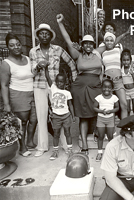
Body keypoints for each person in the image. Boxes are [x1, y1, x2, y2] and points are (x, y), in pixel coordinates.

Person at [57, 14, 127, 155]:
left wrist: (123, 34)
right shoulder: (78, 55)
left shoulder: (97, 52)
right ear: (82, 45)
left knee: (96, 111)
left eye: (90, 43)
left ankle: (98, 133)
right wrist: (60, 23)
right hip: (80, 86)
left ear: (93, 45)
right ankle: (84, 144)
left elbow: (111, 41)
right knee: (83, 116)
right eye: (85, 43)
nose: (88, 45)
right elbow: (67, 40)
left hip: (96, 85)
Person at [30, 23, 77, 157]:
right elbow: (32, 72)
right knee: (42, 116)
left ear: (51, 36)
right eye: (41, 33)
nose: (44, 36)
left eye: (47, 33)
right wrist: (38, 67)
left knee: (60, 112)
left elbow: (71, 63)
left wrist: (73, 79)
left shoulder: (58, 49)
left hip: (56, 88)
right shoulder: (33, 51)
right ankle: (42, 146)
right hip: (39, 86)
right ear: (38, 36)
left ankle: (65, 145)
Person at [0, 33, 37, 157]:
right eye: (12, 45)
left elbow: (32, 73)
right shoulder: (6, 63)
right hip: (17, 94)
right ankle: (22, 147)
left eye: (18, 44)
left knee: (34, 119)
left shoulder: (27, 59)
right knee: (23, 121)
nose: (16, 47)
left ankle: (30, 142)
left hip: (32, 93)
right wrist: (6, 104)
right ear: (8, 47)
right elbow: (4, 85)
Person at [45, 67, 75, 160]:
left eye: (61, 82)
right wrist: (46, 68)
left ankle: (70, 150)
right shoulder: (53, 88)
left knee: (67, 133)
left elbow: (70, 105)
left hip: (66, 115)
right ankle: (55, 151)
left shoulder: (67, 93)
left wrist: (73, 116)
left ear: (65, 82)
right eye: (58, 81)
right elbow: (48, 78)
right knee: (56, 134)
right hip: (56, 116)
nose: (59, 83)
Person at [102, 30, 131, 119]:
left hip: (118, 80)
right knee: (108, 105)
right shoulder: (102, 52)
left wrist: (125, 34)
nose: (109, 42)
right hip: (107, 81)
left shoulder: (118, 50)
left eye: (111, 40)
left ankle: (125, 128)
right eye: (107, 40)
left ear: (114, 41)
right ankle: (111, 129)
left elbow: (126, 61)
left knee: (124, 104)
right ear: (104, 42)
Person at [93, 79, 119, 162]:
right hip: (101, 119)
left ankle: (111, 153)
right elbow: (94, 108)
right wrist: (101, 111)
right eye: (104, 87)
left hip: (110, 119)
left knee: (110, 137)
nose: (106, 89)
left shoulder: (114, 98)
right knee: (100, 136)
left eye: (109, 87)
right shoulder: (99, 98)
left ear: (112, 88)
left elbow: (117, 108)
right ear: (101, 88)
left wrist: (111, 111)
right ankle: (100, 152)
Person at [121, 49, 134, 115]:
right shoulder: (121, 70)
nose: (126, 62)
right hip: (126, 92)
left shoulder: (133, 69)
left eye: (127, 60)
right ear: (121, 61)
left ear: (130, 61)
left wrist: (132, 74)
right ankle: (129, 123)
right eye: (124, 60)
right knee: (128, 110)